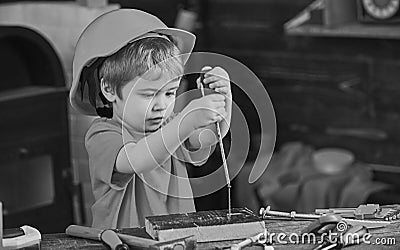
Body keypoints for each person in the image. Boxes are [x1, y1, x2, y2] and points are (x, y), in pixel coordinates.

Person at [69, 9, 232, 229]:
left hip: (176, 238)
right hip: (124, 241)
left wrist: (222, 100)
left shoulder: (170, 124)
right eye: (149, 95)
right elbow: (137, 159)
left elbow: (209, 138)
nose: (162, 105)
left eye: (170, 93)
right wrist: (184, 122)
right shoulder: (102, 135)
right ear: (108, 88)